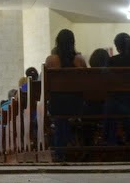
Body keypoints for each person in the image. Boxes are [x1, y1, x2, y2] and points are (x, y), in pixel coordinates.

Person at [44, 29, 87, 161]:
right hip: (77, 104)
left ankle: (59, 151)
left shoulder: (51, 60)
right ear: (72, 42)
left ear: (57, 42)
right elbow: (88, 82)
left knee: (60, 120)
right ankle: (73, 148)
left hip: (57, 104)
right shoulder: (79, 60)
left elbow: (45, 85)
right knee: (66, 116)